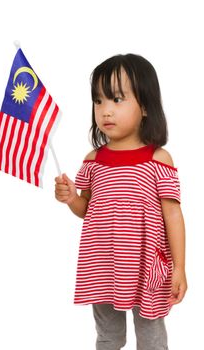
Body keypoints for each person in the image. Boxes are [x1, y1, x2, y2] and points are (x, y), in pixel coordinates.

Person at [54, 53, 187, 350]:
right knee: (108, 336)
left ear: (145, 106)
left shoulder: (158, 160)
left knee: (151, 337)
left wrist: (179, 267)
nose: (105, 111)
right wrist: (72, 198)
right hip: (102, 264)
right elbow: (86, 210)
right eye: (98, 101)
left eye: (116, 99)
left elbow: (173, 216)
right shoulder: (94, 161)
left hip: (146, 264)